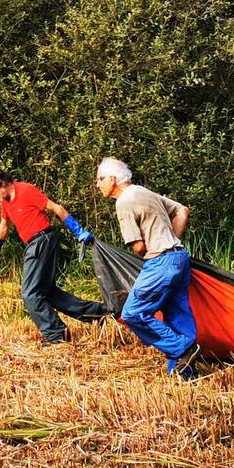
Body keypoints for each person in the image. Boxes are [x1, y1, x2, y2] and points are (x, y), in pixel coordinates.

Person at [95, 157, 200, 379]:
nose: (98, 184)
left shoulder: (123, 202)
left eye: (101, 178)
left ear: (113, 179)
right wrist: (170, 239)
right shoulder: (143, 191)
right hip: (179, 257)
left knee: (133, 313)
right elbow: (182, 210)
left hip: (160, 262)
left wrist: (154, 250)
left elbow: (139, 246)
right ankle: (184, 374)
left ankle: (183, 349)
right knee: (177, 313)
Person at [0, 168, 108, 345]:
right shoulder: (5, 201)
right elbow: (4, 225)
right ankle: (95, 313)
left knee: (30, 293)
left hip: (42, 240)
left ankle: (56, 333)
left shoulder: (25, 190)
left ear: (2, 184)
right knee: (46, 292)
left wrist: (77, 229)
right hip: (36, 243)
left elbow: (55, 208)